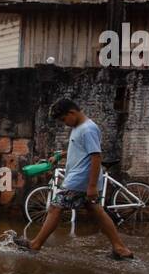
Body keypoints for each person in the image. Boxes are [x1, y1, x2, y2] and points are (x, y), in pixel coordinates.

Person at [16, 98, 134, 260]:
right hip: (81, 180)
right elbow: (80, 147)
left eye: (64, 119)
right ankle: (120, 247)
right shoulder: (79, 127)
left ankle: (35, 244)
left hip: (79, 180)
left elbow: (96, 156)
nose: (64, 123)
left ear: (72, 112)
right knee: (97, 211)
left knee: (55, 208)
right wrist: (61, 155)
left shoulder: (88, 129)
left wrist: (92, 186)